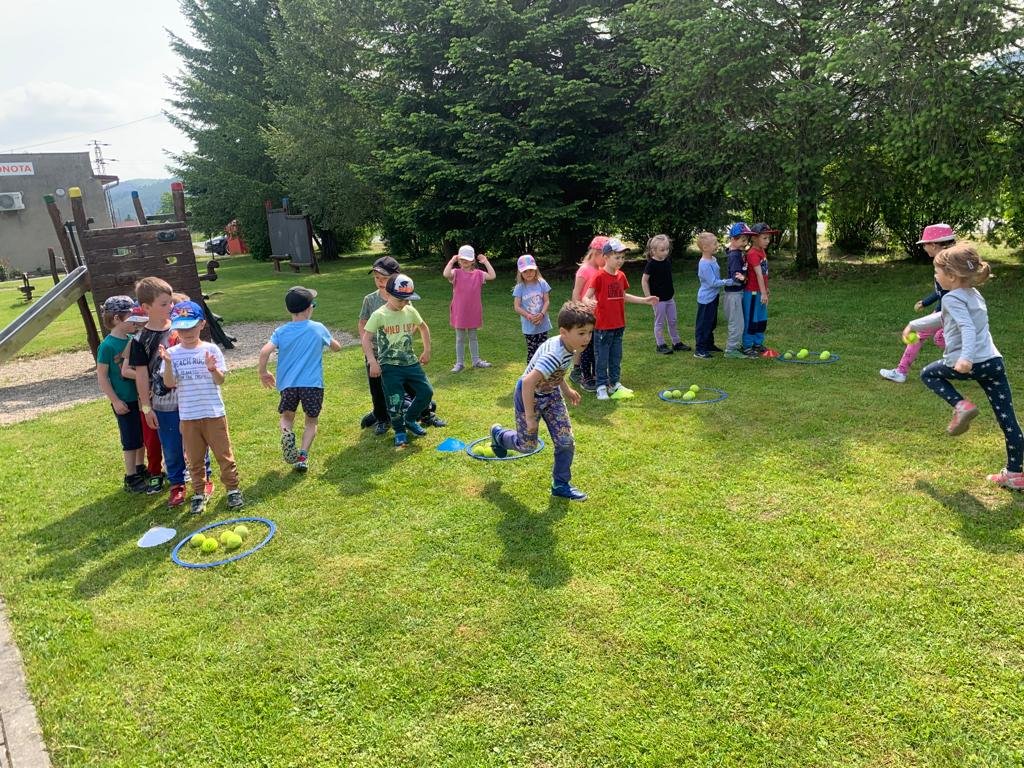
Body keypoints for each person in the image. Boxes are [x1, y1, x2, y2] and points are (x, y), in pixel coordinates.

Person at [906, 244, 1023, 490]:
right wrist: (914, 324)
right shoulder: (972, 294)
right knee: (1008, 420)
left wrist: (966, 358)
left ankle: (962, 406)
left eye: (937, 272)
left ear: (951, 276)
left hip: (970, 363)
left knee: (928, 374)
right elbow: (944, 318)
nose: (935, 277)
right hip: (993, 363)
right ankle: (1015, 474)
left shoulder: (951, 297)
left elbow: (967, 328)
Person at [490, 301, 595, 501]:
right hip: (529, 396)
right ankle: (499, 435)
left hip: (552, 395)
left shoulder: (569, 347)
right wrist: (530, 417)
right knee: (526, 445)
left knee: (565, 441)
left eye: (589, 332)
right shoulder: (554, 354)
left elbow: (557, 373)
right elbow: (528, 382)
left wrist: (567, 389)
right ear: (564, 332)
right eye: (581, 333)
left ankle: (561, 485)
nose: (587, 338)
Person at [159, 301, 244, 513]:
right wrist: (168, 363)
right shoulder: (173, 353)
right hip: (188, 417)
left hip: (213, 413)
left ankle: (232, 490)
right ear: (175, 328)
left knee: (224, 455)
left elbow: (220, 381)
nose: (187, 332)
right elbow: (169, 383)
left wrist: (213, 369)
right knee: (195, 459)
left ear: (202, 324)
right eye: (182, 328)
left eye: (191, 326)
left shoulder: (211, 349)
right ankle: (199, 492)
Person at [258, 286, 343, 472]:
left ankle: (287, 433)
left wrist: (263, 373)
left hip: (288, 385)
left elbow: (265, 351)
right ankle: (303, 455)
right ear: (309, 308)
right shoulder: (318, 328)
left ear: (289, 310)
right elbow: (336, 347)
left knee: (287, 417)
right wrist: (335, 344)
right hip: (312, 385)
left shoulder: (281, 331)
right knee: (311, 421)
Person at [358, 256, 447, 434]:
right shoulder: (370, 300)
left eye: (384, 278)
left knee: (413, 385)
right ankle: (383, 419)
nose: (380, 282)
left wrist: (401, 336)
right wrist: (370, 353)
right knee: (378, 390)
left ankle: (426, 413)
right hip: (376, 354)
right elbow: (363, 323)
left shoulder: (404, 297)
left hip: (402, 355)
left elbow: (414, 321)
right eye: (377, 278)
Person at [129, 276, 194, 508]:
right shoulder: (140, 339)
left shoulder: (181, 329)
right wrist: (146, 407)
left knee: (193, 439)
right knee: (171, 444)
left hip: (189, 397)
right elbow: (141, 375)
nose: (171, 307)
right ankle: (176, 482)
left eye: (171, 302)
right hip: (162, 403)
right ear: (146, 308)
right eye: (164, 304)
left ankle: (198, 477)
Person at [584, 238, 659, 400]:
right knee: (602, 357)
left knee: (616, 356)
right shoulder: (599, 276)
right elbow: (586, 296)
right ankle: (601, 386)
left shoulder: (621, 276)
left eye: (622, 258)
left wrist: (644, 300)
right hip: (603, 326)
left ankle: (615, 383)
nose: (620, 261)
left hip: (619, 325)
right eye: (617, 257)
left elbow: (623, 296)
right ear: (605, 257)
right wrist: (589, 302)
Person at [880, 223, 956, 383]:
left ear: (934, 244)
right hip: (944, 311)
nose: (924, 248)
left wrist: (940, 312)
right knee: (936, 338)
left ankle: (901, 372)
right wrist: (926, 302)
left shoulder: (945, 264)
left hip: (948, 312)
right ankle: (966, 362)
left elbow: (951, 292)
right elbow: (942, 291)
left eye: (924, 244)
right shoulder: (948, 260)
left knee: (933, 337)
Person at [96, 296, 147, 493]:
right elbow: (102, 376)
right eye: (131, 317)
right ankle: (130, 476)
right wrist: (115, 400)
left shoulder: (131, 340)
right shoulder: (107, 346)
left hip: (139, 398)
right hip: (123, 400)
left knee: (141, 435)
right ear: (117, 319)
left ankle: (139, 467)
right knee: (130, 439)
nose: (135, 322)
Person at [444, 244, 496, 371]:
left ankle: (476, 360)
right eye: (462, 259)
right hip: (459, 311)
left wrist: (486, 261)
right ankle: (459, 363)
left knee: (473, 336)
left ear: (472, 260)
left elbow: (492, 276)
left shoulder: (479, 274)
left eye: (467, 259)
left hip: (473, 311)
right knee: (460, 338)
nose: (464, 262)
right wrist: (452, 261)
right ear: (459, 260)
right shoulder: (455, 273)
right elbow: (446, 274)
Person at [568, 235, 607, 391]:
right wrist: (579, 312)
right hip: (585, 315)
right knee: (583, 345)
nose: (607, 261)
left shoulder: (600, 270)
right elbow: (576, 292)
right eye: (605, 257)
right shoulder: (584, 270)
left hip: (597, 316)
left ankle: (587, 371)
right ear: (596, 253)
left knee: (591, 345)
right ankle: (577, 371)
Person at [641, 234, 690, 354]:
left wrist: (671, 293)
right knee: (659, 322)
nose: (665, 252)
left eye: (667, 249)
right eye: (662, 250)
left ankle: (676, 342)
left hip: (669, 298)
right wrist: (649, 297)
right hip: (658, 300)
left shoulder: (667, 262)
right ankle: (660, 344)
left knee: (673, 320)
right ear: (653, 250)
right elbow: (644, 280)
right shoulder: (651, 264)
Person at [694, 232, 737, 358]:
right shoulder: (704, 264)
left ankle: (709, 344)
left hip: (713, 297)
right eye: (714, 243)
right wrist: (728, 282)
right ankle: (700, 349)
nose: (717, 245)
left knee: (712, 322)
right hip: (706, 299)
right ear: (705, 248)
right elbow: (712, 282)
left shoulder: (713, 259)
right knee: (704, 324)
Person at [742, 222, 776, 355]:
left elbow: (765, 273)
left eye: (768, 238)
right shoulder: (752, 254)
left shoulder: (761, 251)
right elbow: (758, 275)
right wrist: (763, 293)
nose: (768, 241)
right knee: (751, 319)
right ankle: (747, 346)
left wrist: (766, 289)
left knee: (761, 318)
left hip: (761, 292)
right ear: (755, 238)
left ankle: (758, 343)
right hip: (753, 293)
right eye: (765, 238)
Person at [512, 254, 552, 364]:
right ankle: (530, 376)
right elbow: (517, 306)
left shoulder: (542, 283)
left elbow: (547, 301)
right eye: (525, 271)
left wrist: (542, 314)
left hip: (542, 323)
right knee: (532, 351)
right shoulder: (519, 287)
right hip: (529, 325)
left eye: (531, 270)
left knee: (543, 350)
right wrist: (528, 316)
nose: (528, 273)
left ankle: (543, 374)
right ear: (520, 273)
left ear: (536, 269)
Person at [722, 223, 752, 358]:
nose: (745, 243)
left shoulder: (737, 253)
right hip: (733, 294)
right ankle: (730, 350)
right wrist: (744, 278)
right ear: (733, 239)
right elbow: (736, 276)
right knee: (736, 323)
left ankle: (734, 345)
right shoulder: (734, 255)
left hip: (737, 293)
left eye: (746, 240)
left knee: (739, 321)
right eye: (742, 240)